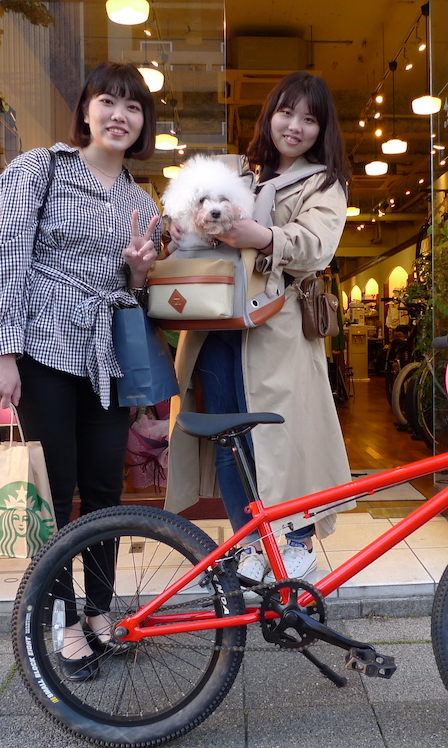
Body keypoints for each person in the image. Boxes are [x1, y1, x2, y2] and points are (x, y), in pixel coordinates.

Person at [0, 62, 161, 680]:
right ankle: (61, 623)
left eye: (132, 106)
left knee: (105, 489)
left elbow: (136, 298)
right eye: (108, 101)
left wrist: (139, 273)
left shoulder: (142, 203)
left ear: (143, 122)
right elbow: (1, 256)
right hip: (41, 349)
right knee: (52, 494)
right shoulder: (41, 169)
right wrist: (3, 352)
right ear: (85, 110)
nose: (119, 115)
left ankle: (101, 612)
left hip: (104, 360)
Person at [165, 71, 353, 585]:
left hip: (277, 329)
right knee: (229, 438)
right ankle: (248, 539)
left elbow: (317, 248)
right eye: (286, 113)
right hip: (214, 324)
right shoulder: (236, 174)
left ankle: (295, 541)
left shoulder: (324, 183)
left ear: (322, 128)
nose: (294, 126)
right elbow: (189, 217)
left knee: (281, 437)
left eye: (309, 119)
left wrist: (263, 236)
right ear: (269, 116)